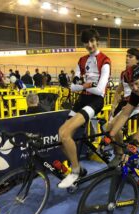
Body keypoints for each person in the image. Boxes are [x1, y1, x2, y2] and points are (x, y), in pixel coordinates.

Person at [58, 28, 111, 188]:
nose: (90, 45)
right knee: (62, 136)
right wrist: (85, 85)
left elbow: (100, 90)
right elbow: (72, 87)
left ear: (97, 40)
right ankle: (79, 169)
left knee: (66, 133)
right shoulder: (81, 60)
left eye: (92, 41)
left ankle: (74, 172)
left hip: (95, 101)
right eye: (86, 42)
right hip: (82, 100)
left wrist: (82, 85)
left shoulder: (105, 60)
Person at [108, 48, 139, 166]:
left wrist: (130, 106)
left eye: (130, 56)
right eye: (126, 56)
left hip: (135, 104)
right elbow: (118, 91)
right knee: (106, 127)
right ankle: (117, 150)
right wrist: (113, 106)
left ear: (137, 61)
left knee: (113, 126)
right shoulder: (123, 74)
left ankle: (119, 153)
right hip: (124, 103)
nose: (127, 58)